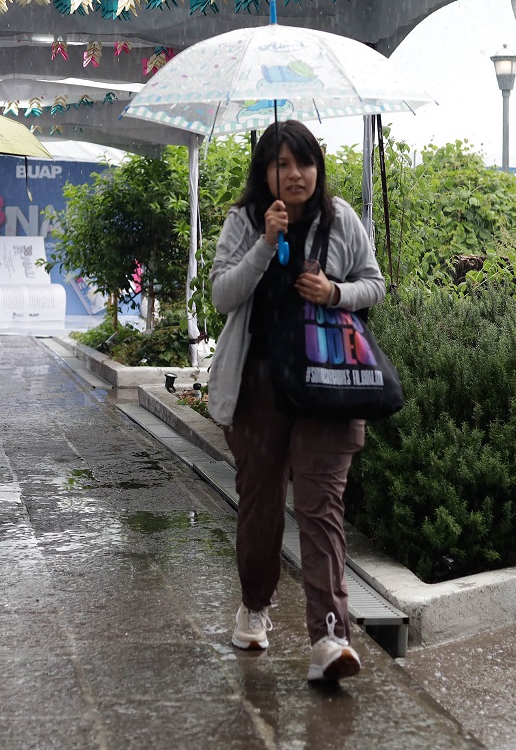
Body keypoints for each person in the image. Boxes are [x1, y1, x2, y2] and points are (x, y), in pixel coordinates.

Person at [208, 121, 385, 681]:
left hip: (328, 383)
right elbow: (221, 295)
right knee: (260, 507)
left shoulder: (341, 220)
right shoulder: (245, 221)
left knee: (320, 507)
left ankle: (330, 637)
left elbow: (374, 284)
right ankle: (255, 607)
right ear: (265, 172)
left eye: (303, 162)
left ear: (317, 167)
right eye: (281, 163)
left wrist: (336, 293)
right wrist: (263, 244)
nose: (295, 174)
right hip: (260, 387)